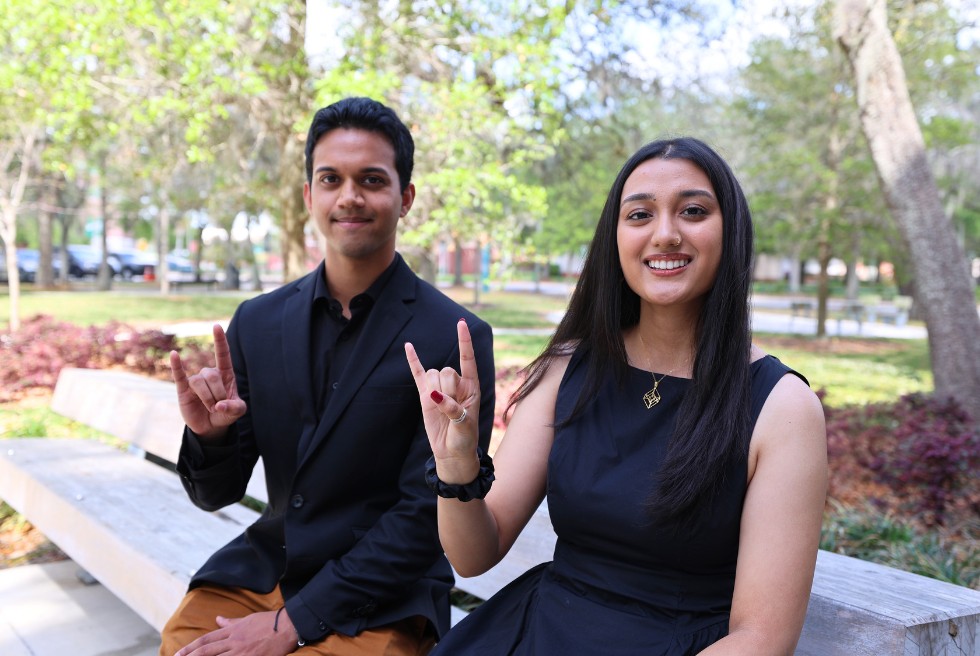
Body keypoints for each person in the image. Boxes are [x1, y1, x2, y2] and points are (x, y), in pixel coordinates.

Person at [406, 138, 827, 655]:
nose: (666, 234)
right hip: (539, 635)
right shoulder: (567, 369)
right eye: (640, 215)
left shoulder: (782, 408)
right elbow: (474, 556)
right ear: (615, 238)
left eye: (693, 211)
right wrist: (456, 465)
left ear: (730, 231)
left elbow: (762, 638)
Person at [161, 97, 496, 656]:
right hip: (266, 571)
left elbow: (422, 517)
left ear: (405, 197)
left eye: (371, 179)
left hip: (383, 594)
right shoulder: (257, 321)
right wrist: (211, 438)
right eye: (330, 179)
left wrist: (294, 624)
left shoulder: (455, 335)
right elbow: (214, 494)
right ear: (308, 196)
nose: (350, 197)